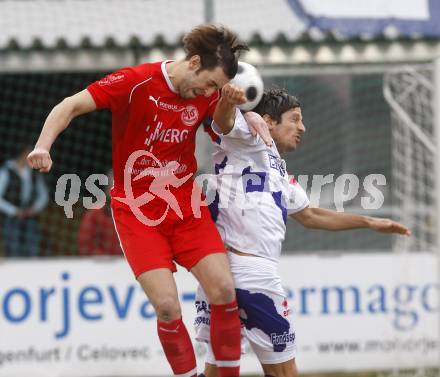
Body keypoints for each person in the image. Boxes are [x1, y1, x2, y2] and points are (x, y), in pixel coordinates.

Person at [27, 23, 271, 377]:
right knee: (169, 307)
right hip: (138, 213)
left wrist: (243, 112)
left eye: (217, 89)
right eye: (210, 84)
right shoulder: (135, 81)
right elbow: (70, 105)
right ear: (193, 62)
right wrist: (42, 146)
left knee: (223, 289)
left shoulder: (206, 94)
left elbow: (221, 126)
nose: (210, 92)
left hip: (186, 207)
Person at [195, 88, 411, 377]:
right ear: (269, 121)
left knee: (218, 369)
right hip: (253, 274)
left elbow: (310, 215)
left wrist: (370, 222)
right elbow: (222, 121)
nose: (302, 127)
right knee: (284, 372)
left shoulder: (277, 168)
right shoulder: (246, 138)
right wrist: (231, 99)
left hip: (223, 273)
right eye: (294, 119)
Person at [0, 144, 49, 257]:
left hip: (30, 217)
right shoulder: (6, 172)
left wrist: (34, 208)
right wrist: (14, 211)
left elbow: (43, 196)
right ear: (23, 154)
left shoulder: (34, 173)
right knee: (13, 250)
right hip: (11, 218)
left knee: (32, 249)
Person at [78, 171, 122, 256]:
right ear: (107, 189)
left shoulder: (135, 214)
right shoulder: (95, 213)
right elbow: (85, 245)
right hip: (100, 264)